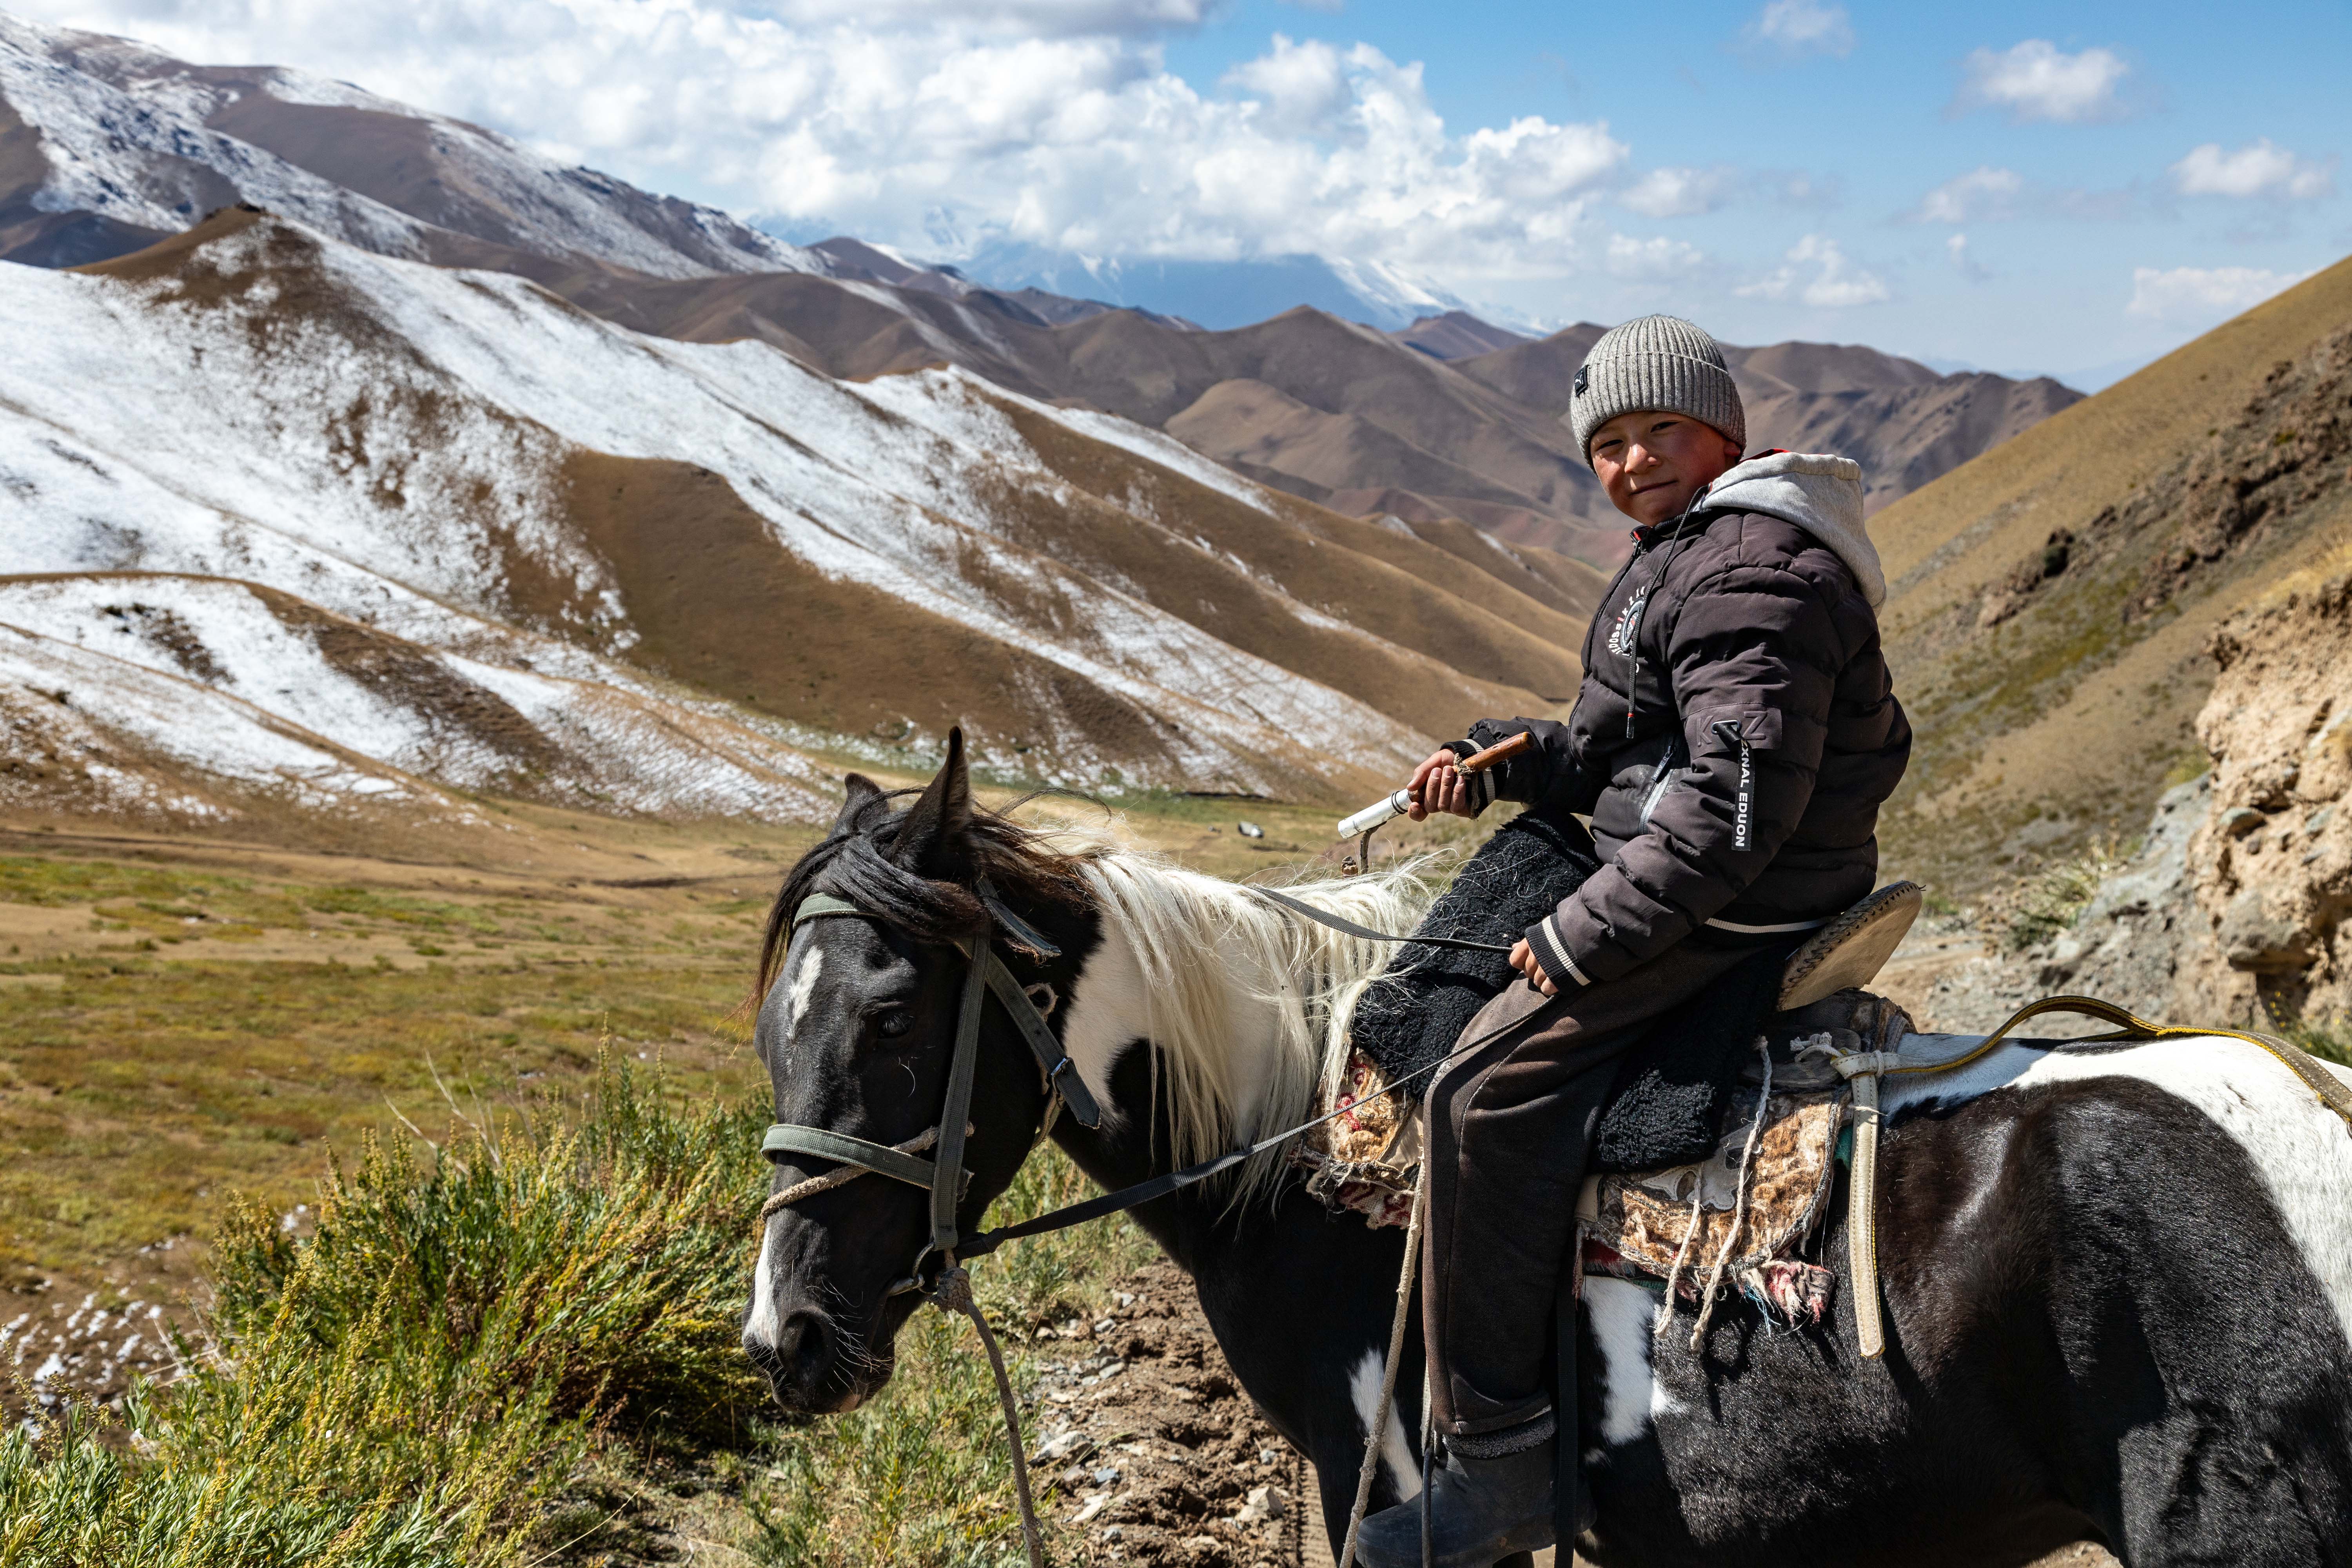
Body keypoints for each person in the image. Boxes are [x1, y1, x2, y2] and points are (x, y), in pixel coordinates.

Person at [1351, 315, 1911, 1567]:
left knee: (1484, 1095)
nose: (1633, 458)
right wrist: (1508, 759)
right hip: (1691, 859)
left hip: (1742, 895)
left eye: (1662, 428)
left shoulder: (1755, 569)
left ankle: (1497, 1469)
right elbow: (1624, 748)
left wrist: (1581, 933)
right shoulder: (1687, 553)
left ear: (1729, 434)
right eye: (1607, 441)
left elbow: (1730, 814)